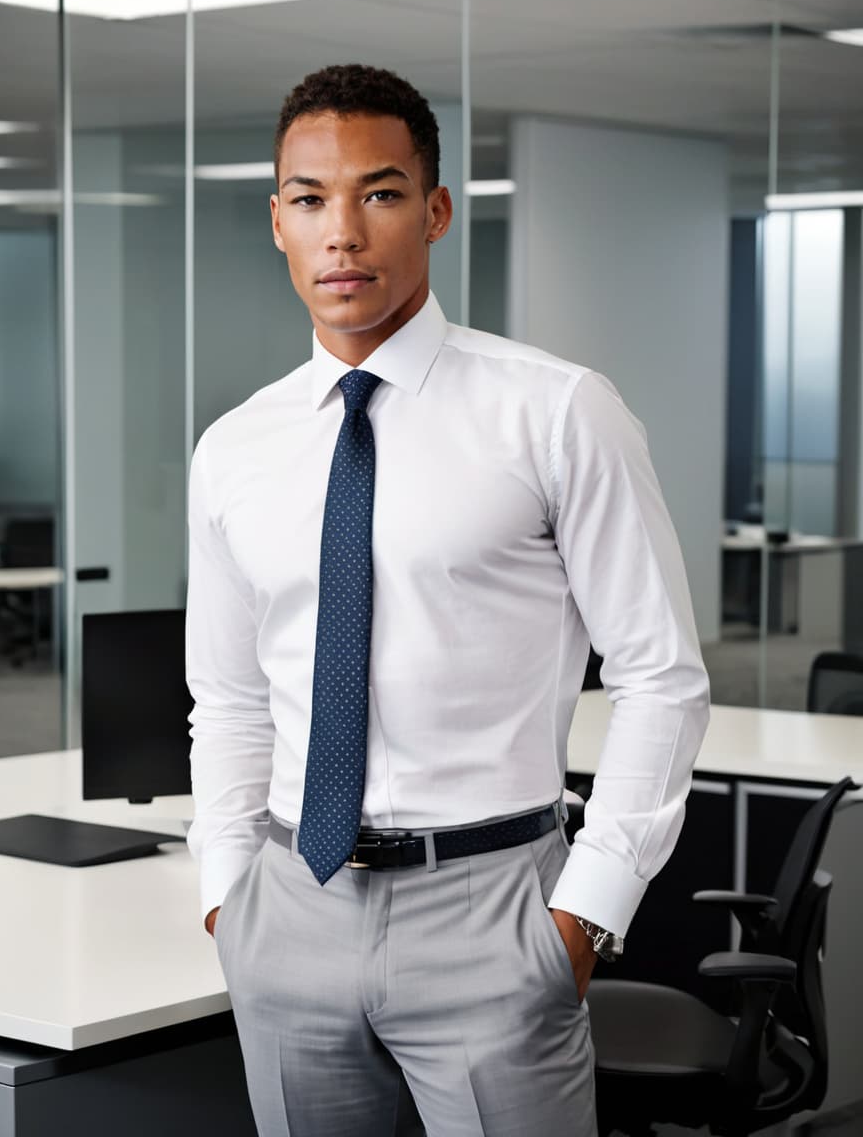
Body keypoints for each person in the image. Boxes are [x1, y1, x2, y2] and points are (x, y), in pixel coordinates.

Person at [186, 62, 710, 1137]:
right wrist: (227, 889)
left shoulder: (557, 412)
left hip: (492, 908)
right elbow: (231, 695)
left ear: (433, 212)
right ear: (277, 222)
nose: (342, 233)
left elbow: (660, 676)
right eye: (308, 199)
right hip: (289, 906)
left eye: (377, 194)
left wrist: (583, 913)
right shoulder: (234, 447)